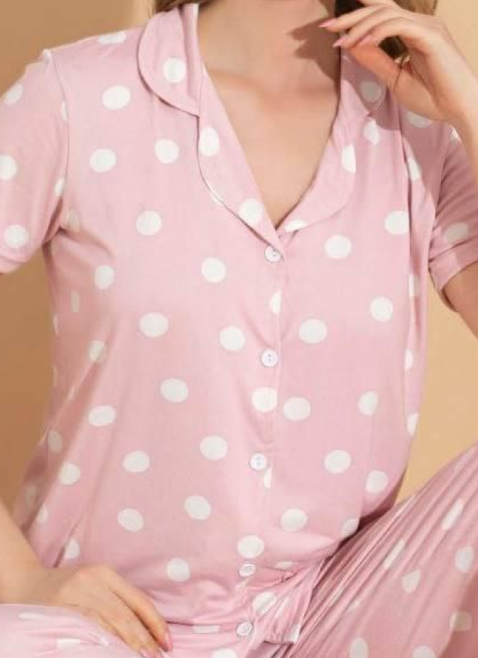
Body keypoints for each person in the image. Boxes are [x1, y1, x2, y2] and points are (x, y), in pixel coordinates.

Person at [1, 0, 478, 656]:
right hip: (105, 631)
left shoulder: (416, 126)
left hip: (334, 618)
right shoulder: (78, 97)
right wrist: (18, 575)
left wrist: (471, 110)